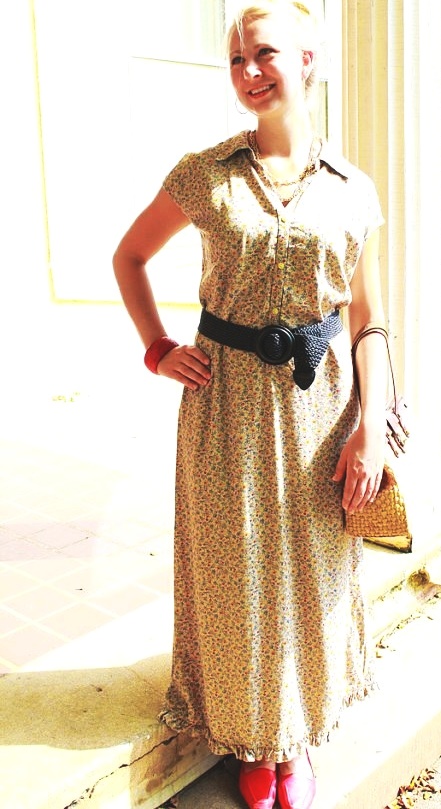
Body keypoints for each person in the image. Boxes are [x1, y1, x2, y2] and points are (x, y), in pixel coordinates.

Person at [112, 1, 388, 807]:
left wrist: (371, 427)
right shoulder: (204, 174)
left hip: (320, 409)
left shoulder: (353, 190)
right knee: (233, 575)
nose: (248, 71)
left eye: (263, 52)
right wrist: (157, 347)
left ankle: (293, 737)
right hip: (224, 406)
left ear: (307, 60)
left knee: (310, 575)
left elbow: (369, 320)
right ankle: (249, 740)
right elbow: (130, 256)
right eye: (236, 59)